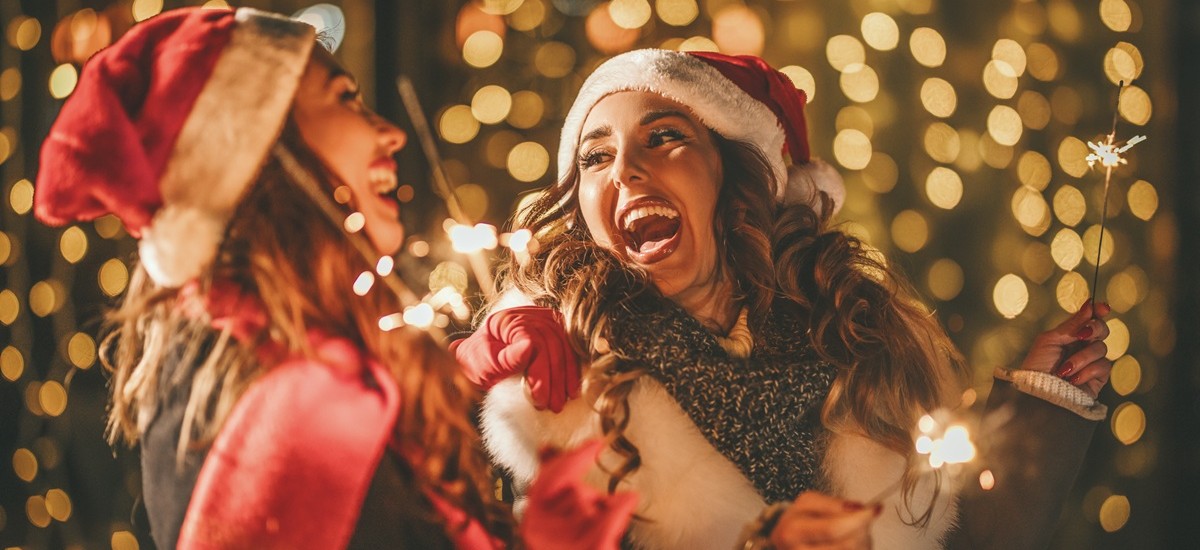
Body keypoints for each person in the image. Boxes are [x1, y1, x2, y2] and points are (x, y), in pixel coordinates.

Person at [452, 49, 1113, 549]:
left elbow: (961, 539)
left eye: (663, 137)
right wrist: (453, 377)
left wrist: (1039, 408)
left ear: (739, 175)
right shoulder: (551, 383)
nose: (624, 169)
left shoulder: (871, 343)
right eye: (595, 158)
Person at [34, 8, 634, 549]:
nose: (389, 132)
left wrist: (462, 373)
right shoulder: (300, 408)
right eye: (346, 98)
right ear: (260, 146)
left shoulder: (233, 350)